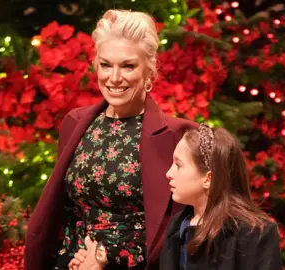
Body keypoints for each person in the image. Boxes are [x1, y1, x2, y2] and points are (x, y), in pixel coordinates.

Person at [24, 9, 198, 270]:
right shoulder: (75, 122)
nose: (114, 78)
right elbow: (65, 211)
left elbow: (187, 225)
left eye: (128, 66)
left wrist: (106, 258)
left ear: (149, 72)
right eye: (106, 65)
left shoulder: (179, 136)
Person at [160, 125, 283, 270]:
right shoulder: (177, 225)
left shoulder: (254, 233)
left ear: (208, 179)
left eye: (178, 165)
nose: (169, 173)